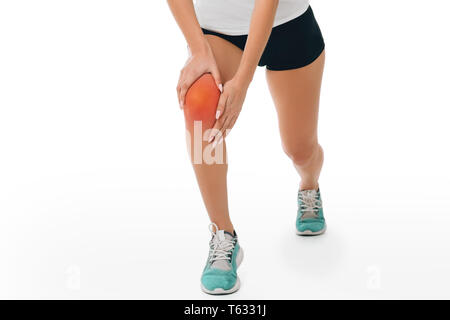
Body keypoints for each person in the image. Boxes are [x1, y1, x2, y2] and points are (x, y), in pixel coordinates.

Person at [167, 0, 326, 295]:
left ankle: (309, 185)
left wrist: (242, 81)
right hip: (219, 31)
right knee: (200, 106)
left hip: (288, 24)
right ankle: (223, 234)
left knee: (300, 149)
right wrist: (199, 48)